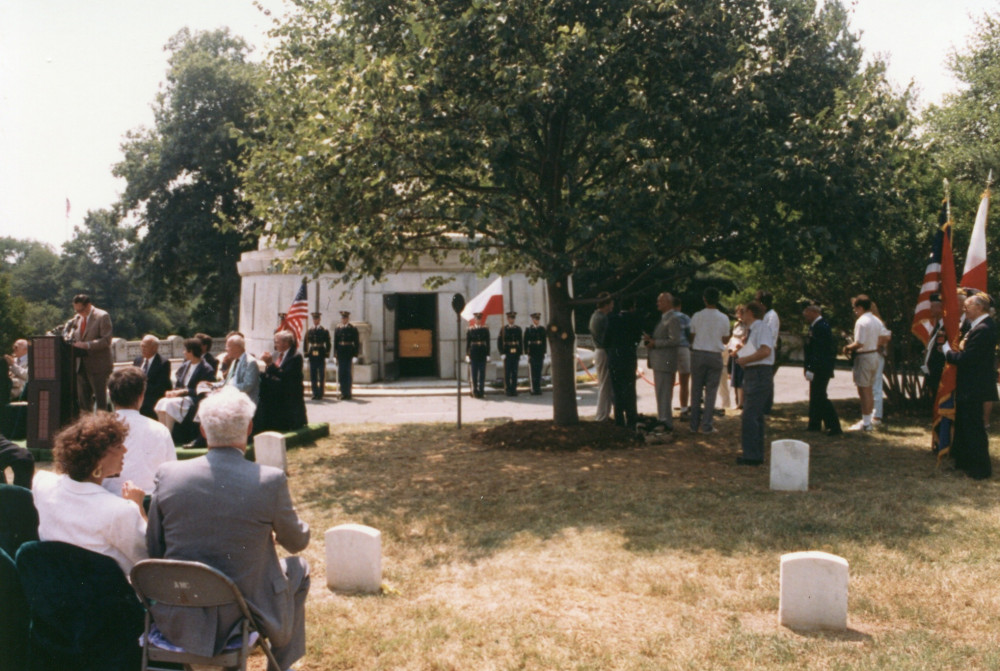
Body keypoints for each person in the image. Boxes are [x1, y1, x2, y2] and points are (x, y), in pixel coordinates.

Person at [147, 387, 310, 670]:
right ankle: (279, 666)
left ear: (203, 430)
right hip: (244, 611)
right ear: (249, 428)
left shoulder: (168, 474)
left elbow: (154, 546)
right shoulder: (269, 480)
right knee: (299, 567)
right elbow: (297, 542)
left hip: (181, 608)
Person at [32, 412, 147, 574]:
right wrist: (139, 508)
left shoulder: (41, 483)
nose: (125, 449)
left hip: (56, 582)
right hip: (110, 588)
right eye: (117, 446)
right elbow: (149, 559)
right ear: (98, 460)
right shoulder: (122, 510)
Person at [942, 293, 997, 479]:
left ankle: (980, 469)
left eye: (968, 306)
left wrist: (948, 353)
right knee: (964, 425)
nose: (964, 309)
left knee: (974, 427)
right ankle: (964, 463)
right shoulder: (976, 326)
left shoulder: (984, 328)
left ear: (979, 308)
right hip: (969, 385)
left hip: (976, 386)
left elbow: (969, 359)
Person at [101, 367, 176, 496]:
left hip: (108, 498)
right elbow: (171, 474)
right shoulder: (160, 430)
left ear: (110, 396)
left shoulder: (98, 430)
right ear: (142, 396)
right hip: (149, 500)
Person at [734, 301, 775, 466]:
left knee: (750, 415)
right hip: (753, 372)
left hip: (759, 373)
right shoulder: (752, 330)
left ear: (750, 312)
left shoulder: (761, 328)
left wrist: (745, 359)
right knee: (754, 415)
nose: (741, 315)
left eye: (744, 312)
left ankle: (751, 455)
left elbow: (765, 351)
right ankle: (755, 454)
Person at [688, 287, 731, 433]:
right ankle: (707, 425)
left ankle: (693, 425)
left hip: (699, 353)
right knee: (711, 392)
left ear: (704, 299)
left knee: (696, 390)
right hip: (714, 354)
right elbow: (725, 339)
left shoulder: (697, 316)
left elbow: (692, 335)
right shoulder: (724, 318)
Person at [154, 338, 215, 439]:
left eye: (185, 350)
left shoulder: (206, 368)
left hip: (193, 398)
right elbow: (179, 384)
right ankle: (163, 435)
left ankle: (168, 436)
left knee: (169, 404)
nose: (183, 352)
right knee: (161, 402)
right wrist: (173, 392)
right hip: (181, 398)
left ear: (192, 351)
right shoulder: (185, 366)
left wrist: (185, 391)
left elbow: (204, 390)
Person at [844, 296, 884, 432]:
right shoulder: (876, 320)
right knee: (869, 389)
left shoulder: (861, 321)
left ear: (860, 307)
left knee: (864, 390)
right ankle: (867, 419)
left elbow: (859, 343)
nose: (854, 311)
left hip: (864, 356)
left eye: (855, 308)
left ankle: (866, 423)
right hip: (874, 355)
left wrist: (848, 347)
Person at [644, 292, 682, 429]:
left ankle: (666, 422)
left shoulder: (672, 319)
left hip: (665, 361)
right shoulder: (664, 318)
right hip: (660, 360)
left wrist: (655, 343)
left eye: (660, 301)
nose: (657, 303)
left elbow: (675, 340)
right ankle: (663, 420)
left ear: (668, 303)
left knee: (664, 393)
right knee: (661, 393)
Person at [802, 304, 842, 436]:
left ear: (814, 312)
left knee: (820, 396)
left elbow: (819, 351)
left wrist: (812, 368)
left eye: (806, 311)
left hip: (820, 367)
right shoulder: (815, 326)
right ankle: (814, 424)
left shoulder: (821, 327)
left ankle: (834, 426)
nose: (804, 314)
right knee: (815, 396)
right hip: (817, 366)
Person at [257, 330, 308, 433]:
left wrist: (270, 364)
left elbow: (286, 376)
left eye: (277, 342)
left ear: (286, 343)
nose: (275, 345)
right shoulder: (276, 354)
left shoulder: (295, 356)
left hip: (289, 394)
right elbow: (272, 373)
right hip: (276, 391)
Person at [70, 294, 114, 413]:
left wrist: (87, 345)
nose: (79, 313)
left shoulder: (102, 316)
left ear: (88, 305)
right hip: (81, 366)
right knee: (84, 403)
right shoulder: (77, 319)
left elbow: (106, 340)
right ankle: (86, 424)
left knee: (101, 403)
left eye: (81, 310)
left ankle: (103, 423)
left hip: (98, 366)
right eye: (76, 310)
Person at [606, 297, 643, 429]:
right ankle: (631, 418)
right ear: (632, 307)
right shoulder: (635, 319)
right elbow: (637, 338)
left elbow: (606, 340)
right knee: (629, 388)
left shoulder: (612, 319)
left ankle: (619, 419)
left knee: (616, 389)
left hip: (615, 357)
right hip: (629, 357)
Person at [589, 293, 614, 421]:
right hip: (603, 351)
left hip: (599, 351)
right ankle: (602, 415)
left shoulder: (595, 316)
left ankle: (604, 414)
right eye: (611, 303)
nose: (612, 305)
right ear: (606, 304)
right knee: (605, 385)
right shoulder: (602, 318)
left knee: (604, 384)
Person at [133, 335, 171, 419]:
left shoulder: (163, 363)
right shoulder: (137, 360)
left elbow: (160, 387)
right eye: (141, 346)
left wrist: (141, 391)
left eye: (145, 347)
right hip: (137, 398)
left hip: (152, 400)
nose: (142, 349)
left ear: (154, 348)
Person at [755, 290, 780, 414]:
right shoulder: (764, 315)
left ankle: (766, 407)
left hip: (767, 350)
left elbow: (770, 334)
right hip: (761, 350)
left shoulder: (772, 316)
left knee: (766, 380)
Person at [220, 333, 260, 404]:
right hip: (233, 397)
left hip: (246, 403)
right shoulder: (235, 361)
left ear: (237, 347)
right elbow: (229, 381)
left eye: (228, 346)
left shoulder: (250, 362)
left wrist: (228, 388)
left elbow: (247, 386)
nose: (226, 349)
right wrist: (214, 385)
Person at [921, 294, 946, 401]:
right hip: (932, 371)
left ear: (940, 308)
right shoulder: (938, 326)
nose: (930, 309)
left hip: (939, 371)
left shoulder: (946, 326)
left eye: (932, 307)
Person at [304, 312, 332, 400]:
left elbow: (328, 344)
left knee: (321, 375)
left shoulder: (324, 330)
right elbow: (305, 343)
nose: (315, 320)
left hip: (321, 353)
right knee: (313, 374)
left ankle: (320, 393)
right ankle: (314, 392)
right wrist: (306, 355)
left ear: (319, 319)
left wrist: (327, 355)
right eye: (314, 319)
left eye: (317, 319)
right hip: (312, 353)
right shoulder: (309, 330)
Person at [333, 311, 360, 400]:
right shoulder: (338, 328)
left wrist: (355, 355)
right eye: (342, 318)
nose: (344, 319)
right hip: (340, 352)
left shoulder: (352, 328)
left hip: (349, 352)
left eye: (345, 318)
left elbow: (356, 342)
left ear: (348, 318)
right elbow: (335, 343)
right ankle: (343, 392)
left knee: (347, 373)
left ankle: (348, 393)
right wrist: (334, 355)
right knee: (341, 373)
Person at [673, 295, 692, 418]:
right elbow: (689, 334)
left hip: (669, 350)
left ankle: (665, 410)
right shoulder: (685, 317)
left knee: (668, 381)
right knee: (684, 381)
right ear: (679, 306)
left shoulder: (665, 317)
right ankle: (684, 409)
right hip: (683, 348)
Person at [497, 311, 523, 396]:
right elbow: (499, 342)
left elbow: (520, 342)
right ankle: (507, 389)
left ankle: (514, 389)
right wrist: (502, 353)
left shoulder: (518, 329)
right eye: (510, 318)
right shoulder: (504, 329)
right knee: (507, 372)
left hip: (515, 353)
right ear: (507, 319)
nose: (512, 320)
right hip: (507, 353)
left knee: (514, 372)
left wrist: (521, 353)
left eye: (513, 318)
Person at [466, 312, 491, 398]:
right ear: (474, 320)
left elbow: (488, 342)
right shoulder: (470, 330)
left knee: (482, 373)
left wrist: (488, 354)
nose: (478, 320)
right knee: (474, 373)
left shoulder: (485, 330)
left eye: (480, 319)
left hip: (482, 353)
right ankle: (475, 391)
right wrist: (467, 355)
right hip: (474, 353)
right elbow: (468, 343)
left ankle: (481, 391)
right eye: (477, 319)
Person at [727, 305, 747, 409]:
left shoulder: (747, 325)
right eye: (738, 313)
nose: (739, 315)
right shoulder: (736, 324)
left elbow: (745, 340)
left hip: (741, 352)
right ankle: (737, 401)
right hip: (732, 351)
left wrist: (737, 350)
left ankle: (741, 403)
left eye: (741, 313)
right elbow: (733, 337)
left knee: (740, 378)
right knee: (733, 377)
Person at [524, 312, 547, 395]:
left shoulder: (542, 329)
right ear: (532, 319)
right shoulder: (529, 329)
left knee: (539, 371)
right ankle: (533, 388)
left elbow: (544, 341)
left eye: (538, 319)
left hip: (540, 352)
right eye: (535, 319)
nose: (537, 320)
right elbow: (525, 341)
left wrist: (545, 352)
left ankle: (538, 388)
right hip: (532, 352)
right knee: (533, 371)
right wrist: (526, 353)